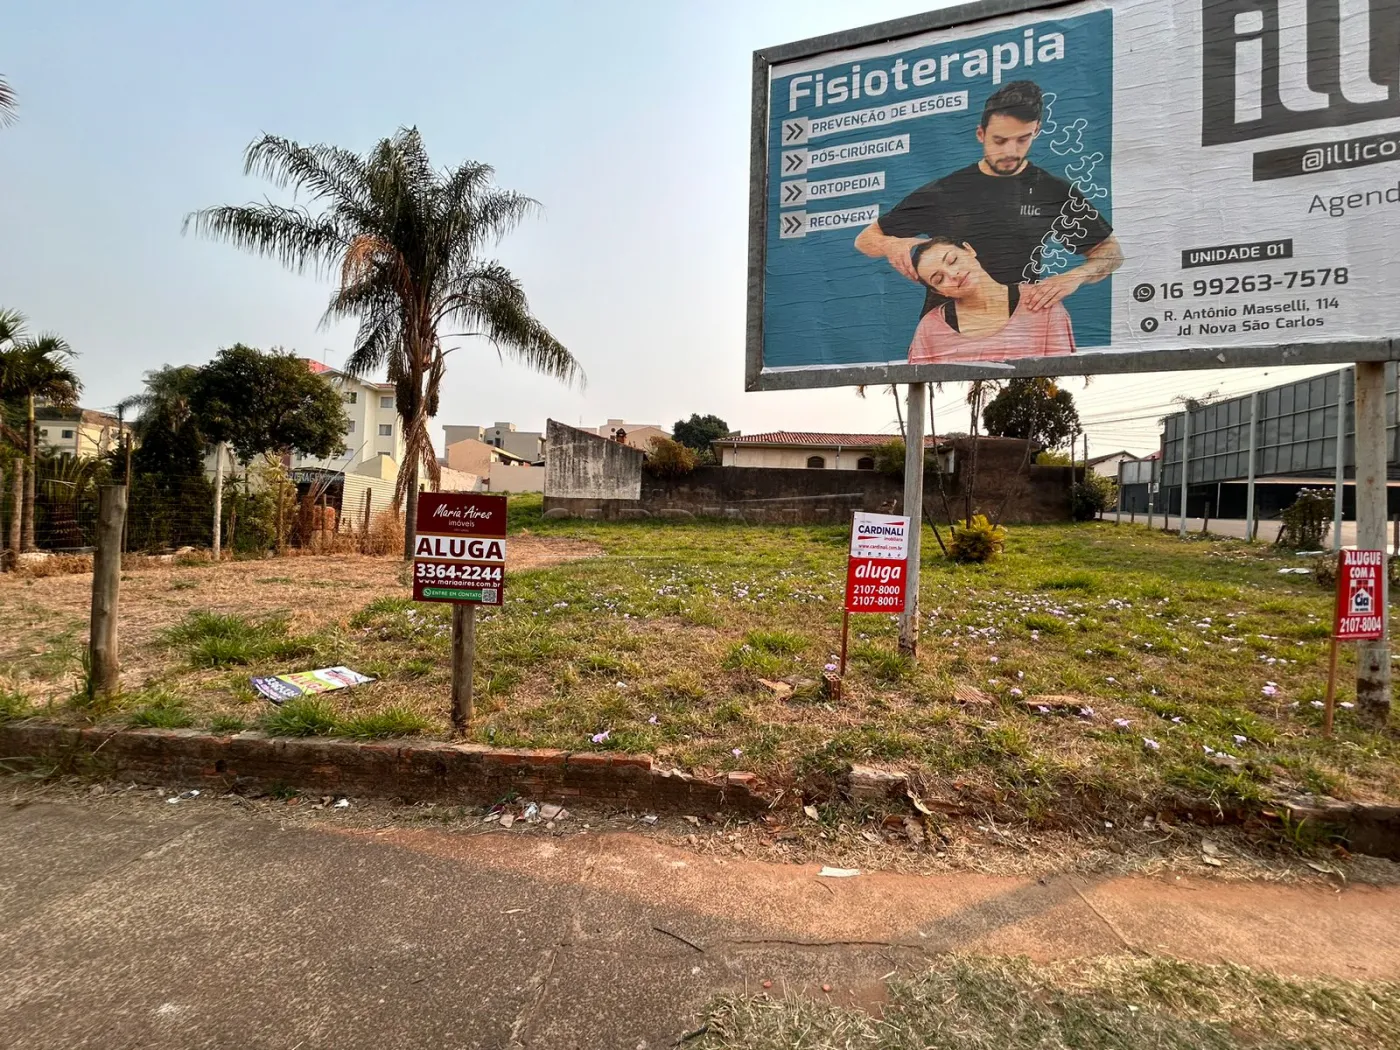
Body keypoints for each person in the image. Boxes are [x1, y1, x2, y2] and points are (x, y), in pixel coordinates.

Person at [854, 80, 1122, 317]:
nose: (1011, 151)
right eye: (1000, 140)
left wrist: (1073, 277)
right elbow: (866, 239)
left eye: (1022, 139)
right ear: (980, 134)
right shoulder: (945, 190)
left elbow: (1110, 252)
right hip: (945, 333)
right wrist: (891, 245)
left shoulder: (1052, 191)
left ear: (1036, 130)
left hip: (1021, 329)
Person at [906, 237, 1074, 364]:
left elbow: (1063, 376)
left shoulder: (1042, 303)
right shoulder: (929, 330)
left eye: (952, 260)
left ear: (969, 249)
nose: (953, 274)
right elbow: (920, 390)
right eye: (939, 279)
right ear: (939, 292)